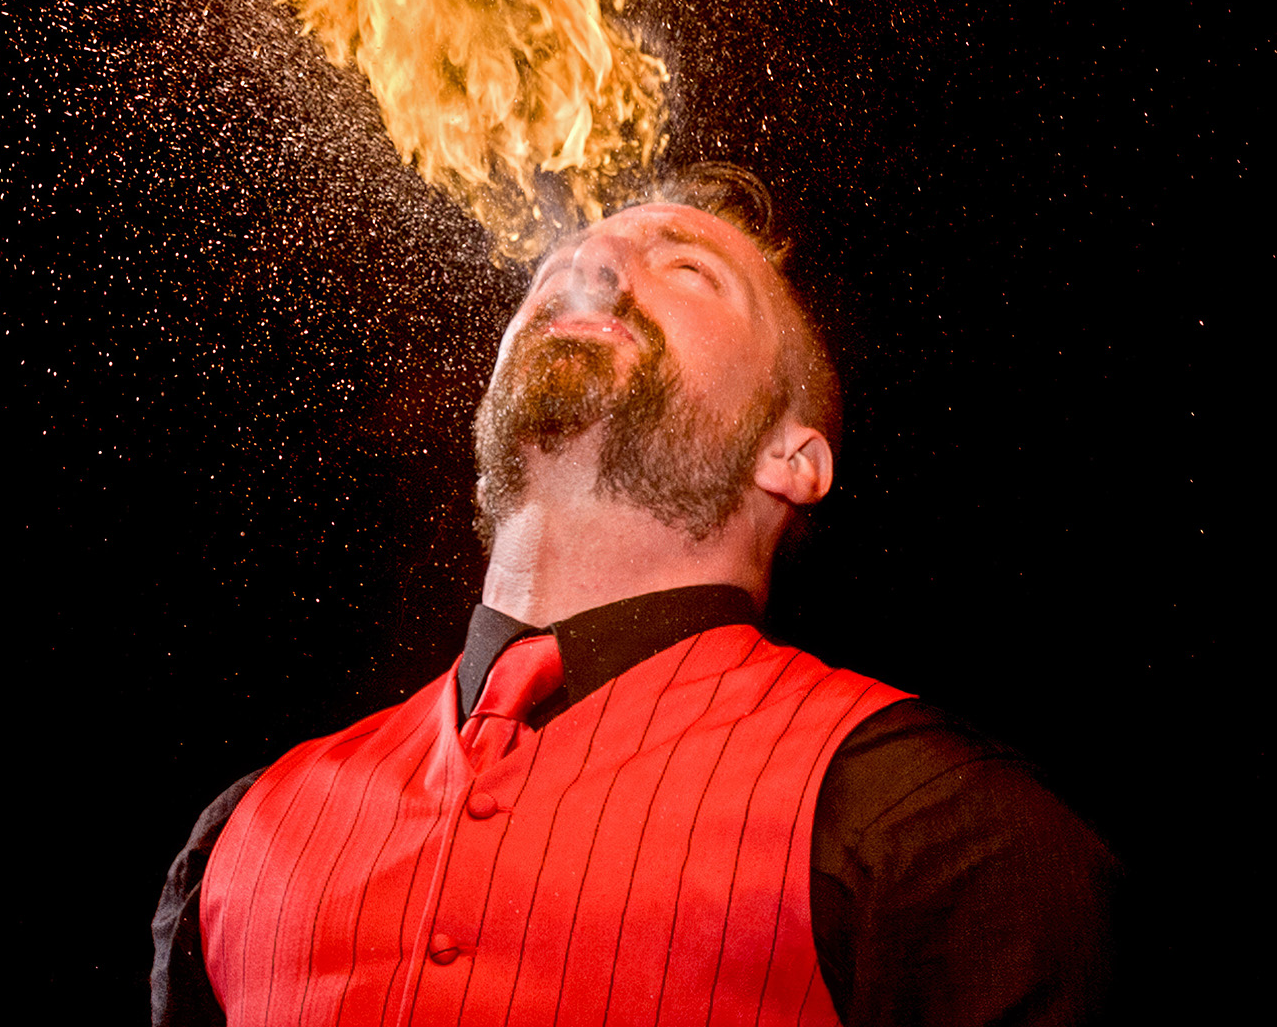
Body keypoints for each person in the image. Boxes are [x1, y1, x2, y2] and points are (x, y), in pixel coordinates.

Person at [150, 164, 1118, 1025]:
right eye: (555, 266)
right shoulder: (244, 835)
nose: (593, 269)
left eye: (688, 268)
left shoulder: (933, 829)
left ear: (794, 456)